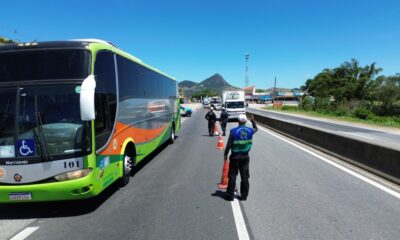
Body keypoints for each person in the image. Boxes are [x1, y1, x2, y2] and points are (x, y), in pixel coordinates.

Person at [224, 114, 257, 201]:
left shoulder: (233, 131)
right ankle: (244, 196)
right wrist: (253, 121)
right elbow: (256, 129)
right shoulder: (250, 131)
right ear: (246, 121)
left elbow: (229, 145)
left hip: (235, 157)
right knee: (245, 177)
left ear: (238, 121)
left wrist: (225, 154)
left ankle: (230, 196)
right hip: (245, 157)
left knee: (232, 176)